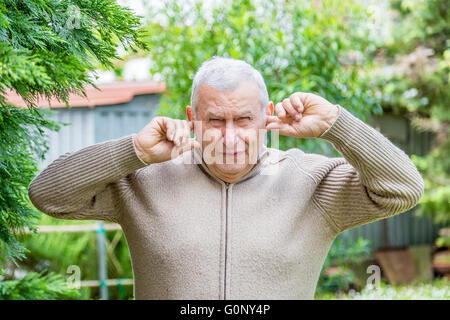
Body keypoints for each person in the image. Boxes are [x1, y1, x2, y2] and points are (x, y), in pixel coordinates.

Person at [28, 56, 424, 300]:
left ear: (266, 115)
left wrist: (337, 125)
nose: (230, 136)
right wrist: (134, 151)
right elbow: (48, 195)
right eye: (215, 120)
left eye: (244, 120)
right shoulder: (145, 180)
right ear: (191, 119)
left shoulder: (311, 182)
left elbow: (402, 189)